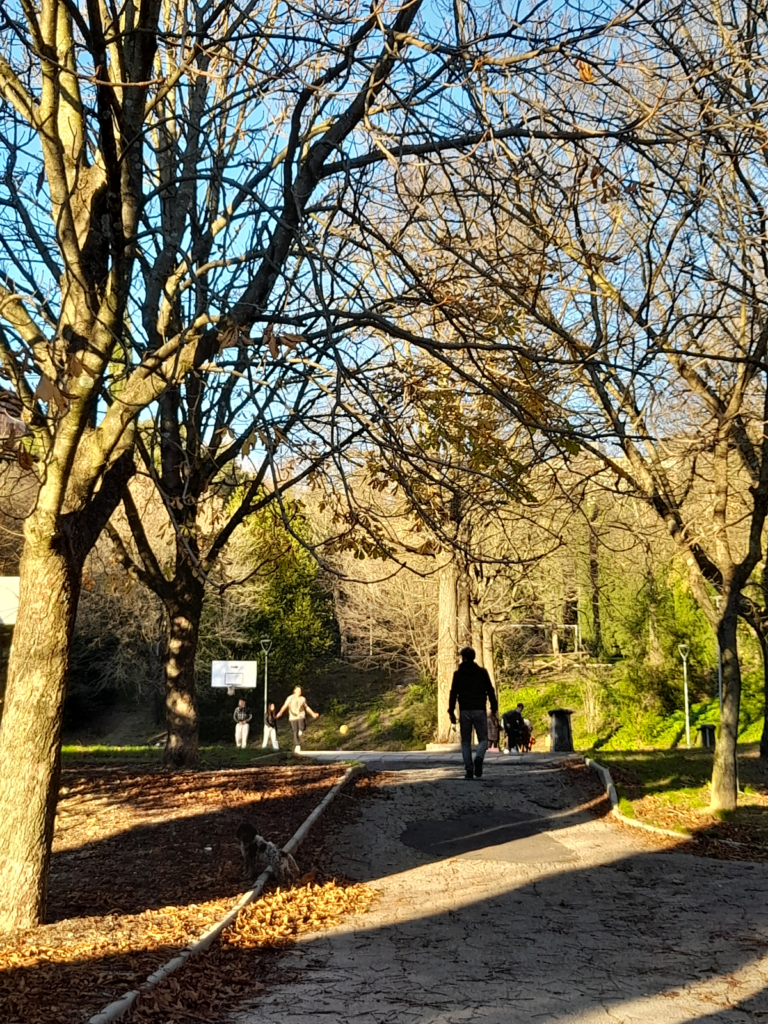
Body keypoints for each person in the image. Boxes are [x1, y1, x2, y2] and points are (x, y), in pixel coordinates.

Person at [448, 647, 498, 780]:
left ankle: (469, 770)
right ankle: (479, 757)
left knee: (465, 741)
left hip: (464, 710)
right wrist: (494, 708)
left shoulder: (458, 674)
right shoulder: (482, 673)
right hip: (479, 709)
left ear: (463, 658)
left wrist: (451, 711)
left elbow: (453, 693)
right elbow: (490, 690)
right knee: (483, 739)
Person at [276, 685, 319, 752]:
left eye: (300, 691)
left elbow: (306, 707)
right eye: (298, 690)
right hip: (293, 716)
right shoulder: (290, 698)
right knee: (295, 731)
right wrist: (280, 712)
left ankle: (301, 730)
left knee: (302, 727)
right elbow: (285, 705)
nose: (299, 692)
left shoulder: (303, 699)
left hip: (301, 715)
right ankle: (297, 745)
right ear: (295, 691)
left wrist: (313, 713)